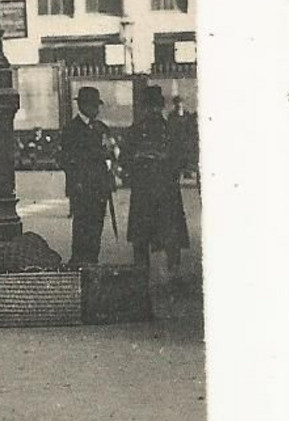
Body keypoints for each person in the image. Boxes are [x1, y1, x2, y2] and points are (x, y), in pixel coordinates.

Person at [126, 86, 191, 282]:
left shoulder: (168, 129)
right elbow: (126, 159)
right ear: (145, 108)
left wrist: (161, 159)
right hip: (154, 189)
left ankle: (170, 271)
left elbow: (181, 158)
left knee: (167, 233)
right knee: (146, 234)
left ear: (161, 108)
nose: (153, 111)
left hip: (160, 189)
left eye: (156, 107)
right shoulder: (140, 130)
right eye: (150, 107)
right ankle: (144, 272)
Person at [60, 85, 115, 265]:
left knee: (96, 227)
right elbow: (66, 159)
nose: (97, 109)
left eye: (97, 105)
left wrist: (111, 151)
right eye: (93, 105)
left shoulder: (101, 127)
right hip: (82, 187)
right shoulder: (71, 129)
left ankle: (92, 263)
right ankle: (80, 264)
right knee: (82, 227)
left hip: (100, 186)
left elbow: (110, 153)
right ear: (82, 106)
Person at [167, 94, 198, 183]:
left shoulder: (187, 114)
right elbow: (170, 127)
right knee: (177, 159)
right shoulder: (172, 115)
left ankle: (187, 172)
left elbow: (189, 127)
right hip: (176, 141)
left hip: (185, 140)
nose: (178, 105)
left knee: (186, 157)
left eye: (180, 103)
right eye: (176, 103)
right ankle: (177, 174)